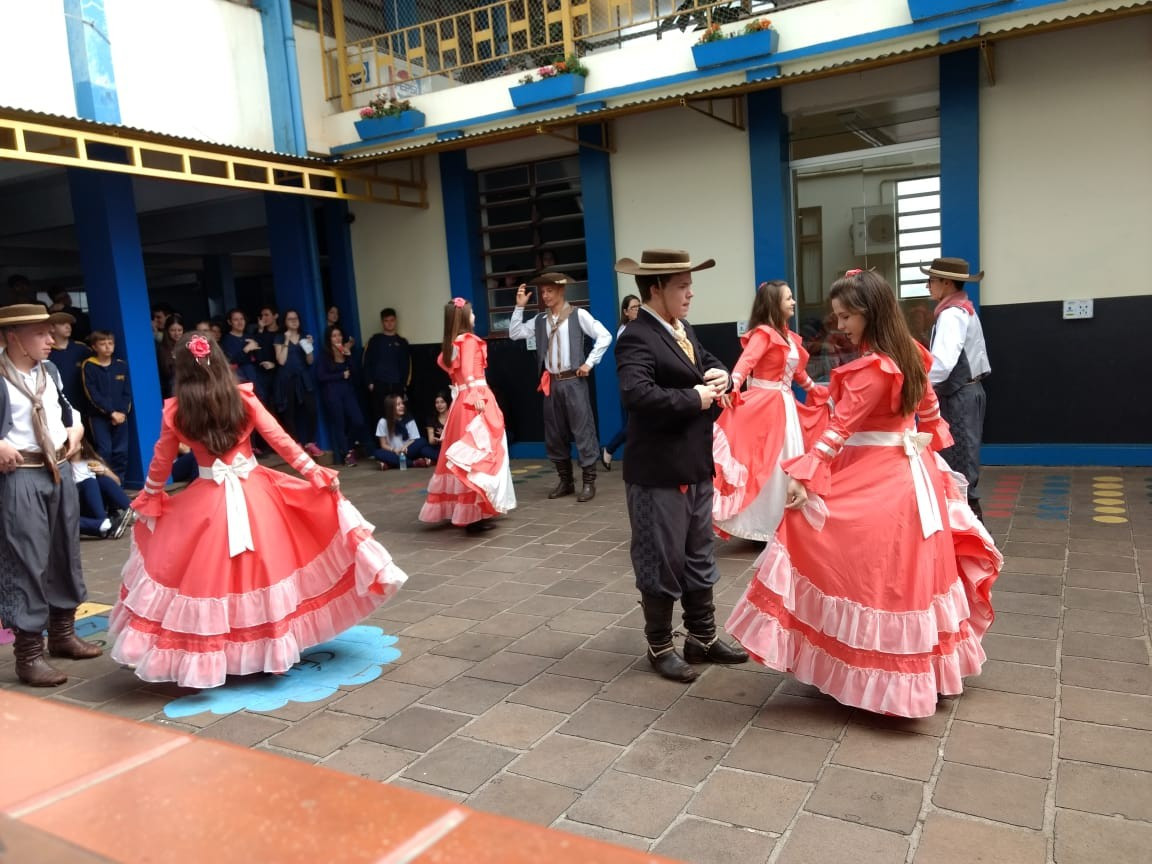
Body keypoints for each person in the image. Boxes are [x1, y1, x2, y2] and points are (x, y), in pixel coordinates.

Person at [724, 269, 1001, 718]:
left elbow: (839, 429)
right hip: (915, 475)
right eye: (837, 316)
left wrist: (803, 476)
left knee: (865, 567)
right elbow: (930, 416)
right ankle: (917, 672)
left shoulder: (874, 368)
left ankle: (880, 677)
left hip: (881, 478)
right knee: (909, 578)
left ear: (870, 313)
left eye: (847, 316)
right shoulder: (910, 354)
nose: (840, 325)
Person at [106, 333, 407, 689]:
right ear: (220, 360)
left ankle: (227, 655)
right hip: (258, 495)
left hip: (206, 503)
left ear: (181, 369)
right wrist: (314, 472)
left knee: (215, 579)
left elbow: (161, 460)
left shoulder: (177, 410)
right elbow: (280, 440)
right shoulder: (243, 397)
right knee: (265, 571)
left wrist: (151, 496)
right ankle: (270, 650)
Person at [613, 249, 748, 683]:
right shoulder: (636, 335)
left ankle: (702, 638)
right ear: (656, 289)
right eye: (682, 286)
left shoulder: (680, 327)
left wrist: (723, 375)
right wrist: (695, 398)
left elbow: (705, 361)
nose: (691, 294)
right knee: (660, 559)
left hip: (693, 462)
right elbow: (635, 394)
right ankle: (659, 645)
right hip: (658, 471)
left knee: (698, 553)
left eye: (690, 286)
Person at [0, 303, 100, 687]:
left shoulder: (50, 371)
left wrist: (76, 430)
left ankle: (62, 634)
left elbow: (66, 408)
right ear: (14, 337)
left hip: (58, 469)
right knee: (26, 558)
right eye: (41, 333)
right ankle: (28, 654)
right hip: (21, 474)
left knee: (64, 552)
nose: (51, 340)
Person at [712, 281, 832, 541]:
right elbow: (746, 363)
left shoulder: (787, 336)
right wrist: (732, 386)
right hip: (765, 405)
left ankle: (781, 522)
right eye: (788, 298)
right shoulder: (764, 333)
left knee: (784, 461)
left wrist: (817, 391)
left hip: (785, 406)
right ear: (774, 303)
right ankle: (763, 526)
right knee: (767, 463)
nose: (793, 302)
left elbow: (797, 372)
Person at [508, 273, 612, 502]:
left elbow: (605, 336)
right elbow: (514, 333)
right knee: (554, 433)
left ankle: (588, 482)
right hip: (551, 383)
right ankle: (565, 481)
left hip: (573, 381)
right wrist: (519, 307)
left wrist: (589, 362)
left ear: (561, 291)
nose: (545, 295)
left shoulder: (578, 315)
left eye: (549, 291)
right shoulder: (540, 320)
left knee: (582, 430)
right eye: (543, 292)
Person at [419, 298, 515, 532]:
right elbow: (470, 373)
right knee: (478, 456)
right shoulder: (469, 340)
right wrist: (477, 396)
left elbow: (448, 366)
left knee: (464, 457)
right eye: (471, 313)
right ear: (463, 317)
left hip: (460, 403)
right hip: (474, 400)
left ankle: (465, 510)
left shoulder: (452, 345)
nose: (474, 316)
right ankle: (473, 516)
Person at [923, 257, 991, 521]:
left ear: (946, 283)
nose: (928, 285)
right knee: (963, 460)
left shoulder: (952, 314)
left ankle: (972, 528)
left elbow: (942, 364)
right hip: (966, 392)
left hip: (958, 396)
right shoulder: (962, 309)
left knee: (959, 466)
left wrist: (916, 387)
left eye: (931, 280)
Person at [81, 330, 133, 482]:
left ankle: (119, 483)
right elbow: (92, 394)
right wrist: (111, 412)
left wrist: (122, 413)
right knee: (105, 451)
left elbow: (127, 393)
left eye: (110, 343)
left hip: (121, 417)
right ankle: (105, 484)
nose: (107, 347)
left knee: (121, 452)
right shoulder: (89, 365)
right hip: (99, 416)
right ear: (94, 347)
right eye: (102, 344)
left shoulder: (121, 365)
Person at [600, 294, 641, 471]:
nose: (637, 310)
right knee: (635, 423)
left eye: (639, 306)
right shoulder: (625, 331)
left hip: (644, 381)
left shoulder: (641, 327)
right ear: (625, 312)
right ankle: (610, 449)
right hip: (632, 382)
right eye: (633, 307)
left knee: (639, 423)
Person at [273, 309, 321, 457]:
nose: (294, 321)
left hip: (303, 378)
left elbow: (310, 361)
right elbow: (281, 361)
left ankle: (310, 442)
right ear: (285, 322)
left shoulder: (304, 337)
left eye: (296, 318)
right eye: (290, 319)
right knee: (289, 412)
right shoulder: (279, 337)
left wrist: (309, 348)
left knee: (312, 410)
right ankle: (296, 444)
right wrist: (286, 340)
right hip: (287, 378)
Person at [316, 325, 364, 467]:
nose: (337, 338)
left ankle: (349, 446)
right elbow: (321, 376)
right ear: (329, 339)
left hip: (348, 391)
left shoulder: (345, 352)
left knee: (358, 420)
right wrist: (340, 375)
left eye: (339, 335)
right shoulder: (325, 356)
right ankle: (347, 453)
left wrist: (349, 356)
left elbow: (355, 372)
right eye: (334, 336)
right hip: (332, 393)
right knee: (339, 423)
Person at [70, 441, 134, 539]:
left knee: (103, 480)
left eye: (74, 442)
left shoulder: (90, 461)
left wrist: (105, 471)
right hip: (78, 506)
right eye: (67, 443)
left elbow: (117, 482)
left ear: (82, 445)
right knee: (89, 481)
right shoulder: (64, 466)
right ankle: (105, 523)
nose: (70, 445)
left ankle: (133, 511)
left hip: (95, 503)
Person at [363, 307, 412, 421]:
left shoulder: (402, 342)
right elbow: (367, 362)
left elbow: (407, 365)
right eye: (386, 320)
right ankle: (381, 434)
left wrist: (404, 384)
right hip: (379, 383)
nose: (389, 323)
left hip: (397, 384)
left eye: (392, 320)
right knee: (379, 415)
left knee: (398, 414)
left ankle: (397, 433)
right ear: (382, 322)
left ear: (395, 321)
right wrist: (369, 382)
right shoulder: (375, 340)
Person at [373, 394, 436, 470]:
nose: (402, 406)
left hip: (409, 450)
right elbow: (383, 444)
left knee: (422, 442)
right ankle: (413, 463)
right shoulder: (383, 422)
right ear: (390, 407)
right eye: (398, 404)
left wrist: (404, 447)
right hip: (394, 452)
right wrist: (395, 450)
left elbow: (415, 439)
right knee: (378, 453)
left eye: (402, 403)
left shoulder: (409, 419)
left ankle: (391, 464)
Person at [48, 311, 92, 412]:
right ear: (52, 328)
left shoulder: (83, 349)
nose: (68, 326)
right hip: (58, 406)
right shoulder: (46, 352)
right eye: (62, 323)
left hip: (84, 406)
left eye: (69, 323)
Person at [155, 313, 185, 399]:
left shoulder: (188, 346)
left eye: (179, 330)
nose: (176, 333)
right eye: (173, 330)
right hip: (171, 392)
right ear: (167, 331)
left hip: (189, 389)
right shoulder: (162, 349)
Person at [425, 390, 452, 462]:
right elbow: (431, 441)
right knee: (424, 448)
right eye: (437, 402)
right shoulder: (431, 419)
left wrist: (444, 435)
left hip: (451, 447)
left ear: (447, 403)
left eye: (442, 402)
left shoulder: (452, 417)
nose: (439, 405)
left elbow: (457, 437)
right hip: (438, 448)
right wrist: (438, 441)